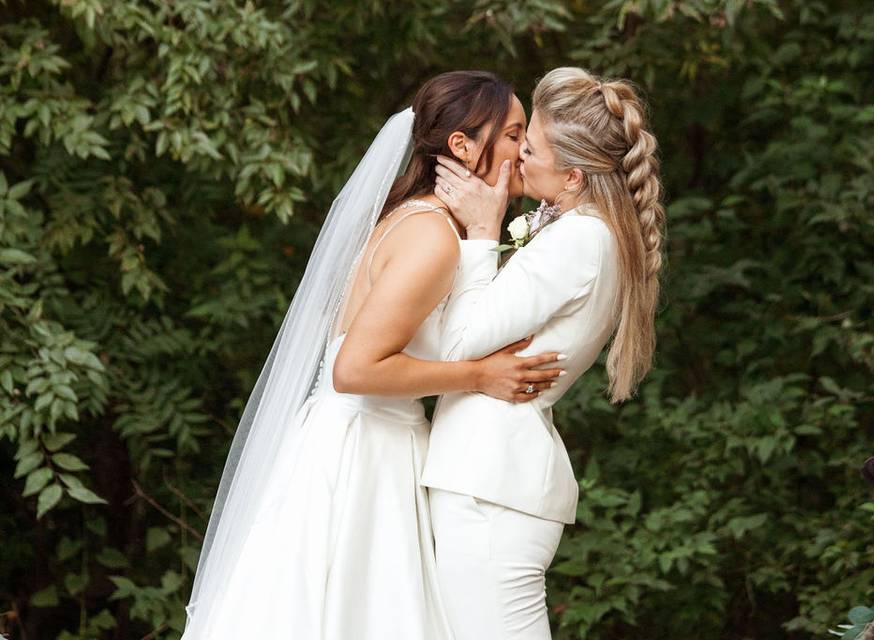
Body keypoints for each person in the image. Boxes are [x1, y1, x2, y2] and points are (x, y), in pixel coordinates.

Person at [181, 71, 565, 640]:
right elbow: (354, 369)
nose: (523, 149)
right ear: (462, 146)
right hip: (364, 454)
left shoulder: (412, 220)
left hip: (365, 441)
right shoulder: (431, 236)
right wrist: (479, 375)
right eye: (512, 135)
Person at [422, 66, 666, 640]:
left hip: (491, 485)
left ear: (575, 177)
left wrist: (485, 234)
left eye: (528, 149)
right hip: (491, 478)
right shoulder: (585, 232)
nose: (516, 159)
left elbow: (458, 343)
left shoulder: (581, 239)